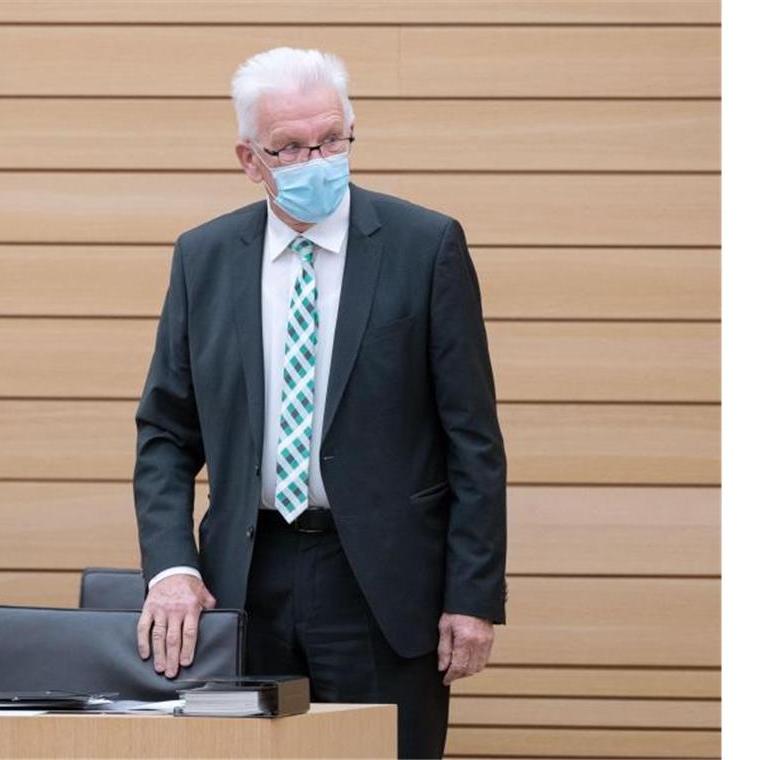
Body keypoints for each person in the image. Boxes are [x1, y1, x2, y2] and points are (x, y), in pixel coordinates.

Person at [132, 46, 507, 759]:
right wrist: (173, 568)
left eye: (332, 139)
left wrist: (473, 594)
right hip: (246, 578)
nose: (319, 158)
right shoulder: (204, 258)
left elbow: (473, 440)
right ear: (251, 159)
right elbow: (166, 434)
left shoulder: (425, 246)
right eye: (293, 147)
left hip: (384, 585)